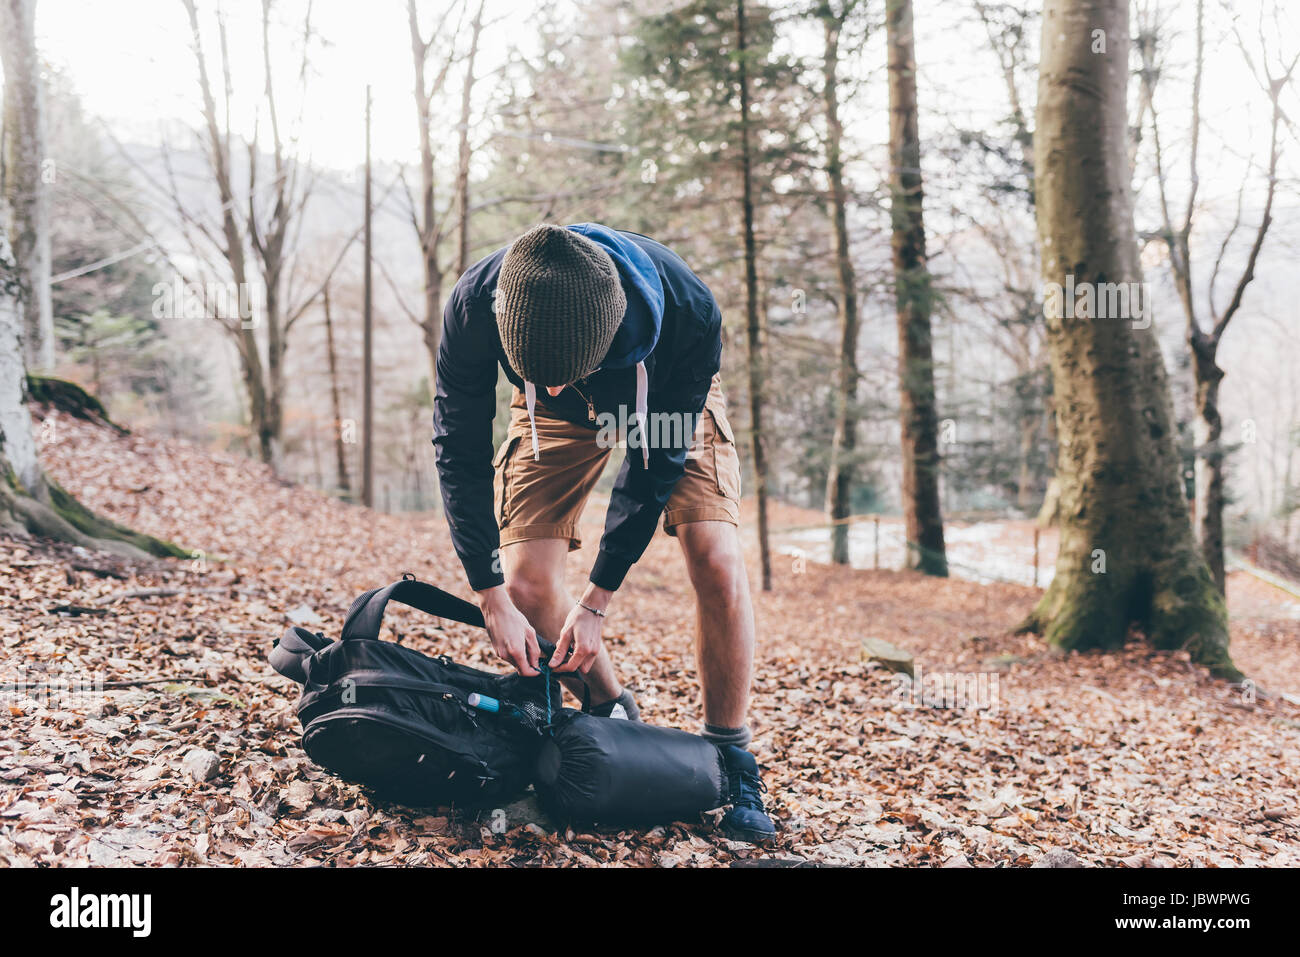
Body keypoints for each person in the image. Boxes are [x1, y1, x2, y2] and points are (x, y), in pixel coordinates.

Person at [433, 223, 775, 843]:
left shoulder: (688, 312)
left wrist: (597, 600)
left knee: (715, 557)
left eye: (563, 371)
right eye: (537, 370)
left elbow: (652, 470)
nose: (555, 384)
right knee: (526, 585)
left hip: (662, 398)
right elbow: (458, 447)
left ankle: (730, 754)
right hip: (551, 422)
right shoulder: (475, 304)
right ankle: (612, 712)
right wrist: (488, 592)